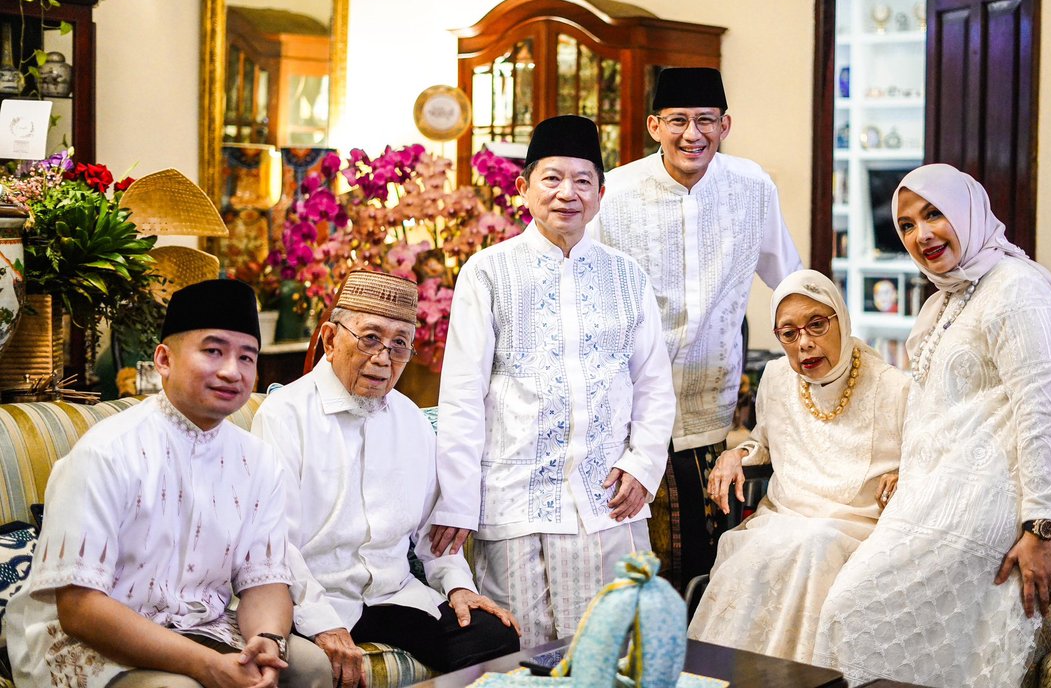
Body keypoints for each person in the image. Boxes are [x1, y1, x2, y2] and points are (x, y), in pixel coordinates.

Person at [813, 164, 1051, 687]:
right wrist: (907, 470)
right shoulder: (943, 300)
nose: (921, 234)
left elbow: (1042, 412)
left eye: (933, 214)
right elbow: (937, 408)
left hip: (988, 507)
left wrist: (1041, 529)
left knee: (853, 611)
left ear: (968, 211)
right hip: (930, 499)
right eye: (907, 224)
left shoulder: (1017, 289)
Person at [5, 279, 331, 688]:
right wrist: (203, 664)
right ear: (164, 359)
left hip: (203, 624)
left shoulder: (259, 460)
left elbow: (264, 579)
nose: (232, 371)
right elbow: (79, 609)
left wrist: (267, 639)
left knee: (312, 667)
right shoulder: (106, 453)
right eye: (213, 351)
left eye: (247, 357)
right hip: (92, 639)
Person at [430, 114, 676, 647]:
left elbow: (654, 385)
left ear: (600, 193)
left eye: (583, 180)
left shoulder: (626, 275)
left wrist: (642, 464)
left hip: (605, 499)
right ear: (523, 188)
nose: (568, 193)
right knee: (525, 654)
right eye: (552, 178)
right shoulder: (488, 272)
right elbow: (462, 396)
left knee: (612, 650)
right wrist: (456, 501)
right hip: (518, 500)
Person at [251, 270, 521, 686]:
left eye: (399, 345)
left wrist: (458, 588)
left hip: (392, 596)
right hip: (315, 598)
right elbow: (274, 542)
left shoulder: (410, 420)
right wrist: (323, 623)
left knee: (495, 636)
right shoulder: (285, 414)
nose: (383, 358)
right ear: (329, 338)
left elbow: (436, 538)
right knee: (313, 667)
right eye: (370, 338)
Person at [591, 67, 801, 588]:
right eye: (679, 120)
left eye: (706, 121)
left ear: (725, 125)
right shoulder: (613, 192)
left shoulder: (752, 186)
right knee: (636, 559)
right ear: (653, 125)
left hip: (711, 410)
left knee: (705, 565)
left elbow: (790, 281)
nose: (693, 134)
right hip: (627, 411)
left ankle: (699, 665)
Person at [688, 269, 905, 664]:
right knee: (755, 553)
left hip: (854, 526)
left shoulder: (893, 387)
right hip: (784, 517)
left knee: (815, 545)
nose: (804, 343)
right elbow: (764, 440)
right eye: (789, 333)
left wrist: (905, 473)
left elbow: (926, 457)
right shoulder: (775, 377)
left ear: (841, 318)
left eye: (817, 325)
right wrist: (735, 455)